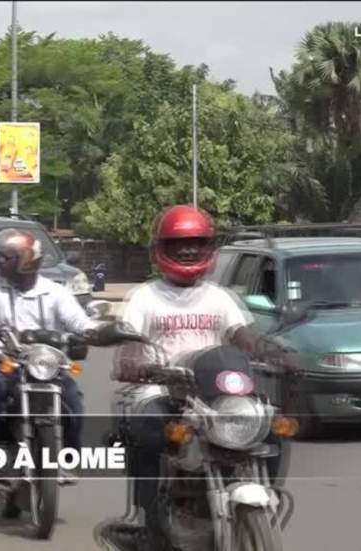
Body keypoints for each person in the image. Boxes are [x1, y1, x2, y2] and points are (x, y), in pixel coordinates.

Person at [105, 205, 298, 549]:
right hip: (161, 387)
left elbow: (244, 336)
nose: (188, 249)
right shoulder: (145, 297)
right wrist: (134, 361)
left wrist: (272, 354)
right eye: (178, 244)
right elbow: (130, 341)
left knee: (272, 424)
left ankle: (266, 492)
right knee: (148, 427)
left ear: (208, 247)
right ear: (160, 249)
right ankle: (146, 518)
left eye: (196, 242)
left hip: (213, 393)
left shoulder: (219, 296)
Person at [0, 229, 97, 480]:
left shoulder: (55, 292)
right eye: (0, 256)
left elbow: (78, 321)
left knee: (73, 397)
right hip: (6, 363)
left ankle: (69, 457)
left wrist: (93, 331)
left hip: (46, 364)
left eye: (6, 257)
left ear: (25, 261)